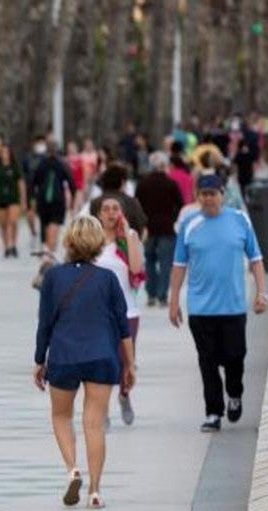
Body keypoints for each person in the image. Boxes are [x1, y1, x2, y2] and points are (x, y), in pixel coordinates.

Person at [33, 216, 135, 510]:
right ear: (98, 244)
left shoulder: (53, 277)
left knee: (61, 416)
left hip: (64, 356)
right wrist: (130, 364)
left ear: (68, 241)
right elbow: (122, 325)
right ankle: (95, 491)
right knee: (94, 424)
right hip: (102, 356)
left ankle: (72, 469)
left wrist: (40, 360)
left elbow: (45, 324)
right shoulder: (108, 279)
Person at [169, 174, 268, 432]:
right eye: (204, 194)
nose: (208, 199)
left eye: (213, 193)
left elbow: (256, 258)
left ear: (222, 195)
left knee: (236, 357)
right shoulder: (189, 225)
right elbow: (179, 265)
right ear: (197, 196)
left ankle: (234, 394)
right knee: (208, 360)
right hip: (201, 308)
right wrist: (174, 301)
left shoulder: (240, 220)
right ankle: (213, 412)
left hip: (233, 306)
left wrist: (262, 292)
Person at [94, 196, 144, 426]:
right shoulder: (92, 239)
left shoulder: (130, 237)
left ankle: (124, 395)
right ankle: (102, 409)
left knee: (126, 362)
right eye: (106, 209)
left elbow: (135, 268)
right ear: (99, 214)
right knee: (103, 362)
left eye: (116, 209)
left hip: (127, 311)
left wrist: (128, 234)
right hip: (98, 313)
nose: (111, 213)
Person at [136, 152, 185, 308]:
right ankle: (162, 296)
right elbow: (180, 204)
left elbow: (137, 205)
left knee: (149, 261)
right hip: (167, 227)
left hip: (149, 227)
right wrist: (173, 217)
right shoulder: (171, 184)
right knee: (165, 263)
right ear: (164, 166)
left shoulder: (143, 184)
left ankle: (151, 294)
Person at [30, 138, 75, 264]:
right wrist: (32, 200)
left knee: (52, 229)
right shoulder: (41, 164)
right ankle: (48, 253)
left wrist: (72, 202)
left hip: (56, 201)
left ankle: (48, 254)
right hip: (44, 201)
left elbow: (71, 184)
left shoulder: (61, 164)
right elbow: (33, 183)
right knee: (46, 228)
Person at [87, 164, 149, 239]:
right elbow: (141, 228)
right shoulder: (132, 202)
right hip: (125, 246)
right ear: (122, 182)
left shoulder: (95, 203)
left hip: (100, 245)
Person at [0, 144, 26, 258]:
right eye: (2, 152)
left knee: (13, 222)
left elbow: (21, 184)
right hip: (0, 199)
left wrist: (23, 200)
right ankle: (6, 247)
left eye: (7, 152)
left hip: (13, 198)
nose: (5, 154)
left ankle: (13, 245)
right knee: (4, 224)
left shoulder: (15, 167)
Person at [21, 135, 49, 251]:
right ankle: (33, 232)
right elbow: (24, 174)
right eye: (38, 143)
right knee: (30, 215)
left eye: (42, 143)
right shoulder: (28, 158)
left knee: (42, 215)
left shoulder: (47, 158)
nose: (40, 146)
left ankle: (44, 240)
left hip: (43, 189)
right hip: (30, 189)